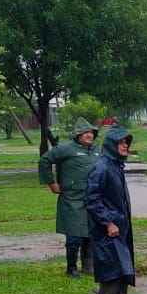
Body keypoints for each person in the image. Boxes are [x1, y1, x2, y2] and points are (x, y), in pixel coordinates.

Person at [38, 117, 100, 278]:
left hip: (92, 198)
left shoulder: (95, 149)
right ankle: (71, 267)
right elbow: (45, 160)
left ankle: (88, 265)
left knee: (91, 233)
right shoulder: (65, 148)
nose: (90, 135)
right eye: (86, 132)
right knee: (74, 236)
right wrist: (51, 183)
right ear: (78, 134)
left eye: (92, 132)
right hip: (72, 198)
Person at [85, 125, 135, 294]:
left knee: (124, 266)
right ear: (112, 145)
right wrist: (108, 223)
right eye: (121, 142)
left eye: (127, 142)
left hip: (121, 226)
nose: (125, 146)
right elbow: (91, 199)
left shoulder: (115, 166)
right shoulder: (102, 167)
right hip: (109, 228)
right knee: (112, 269)